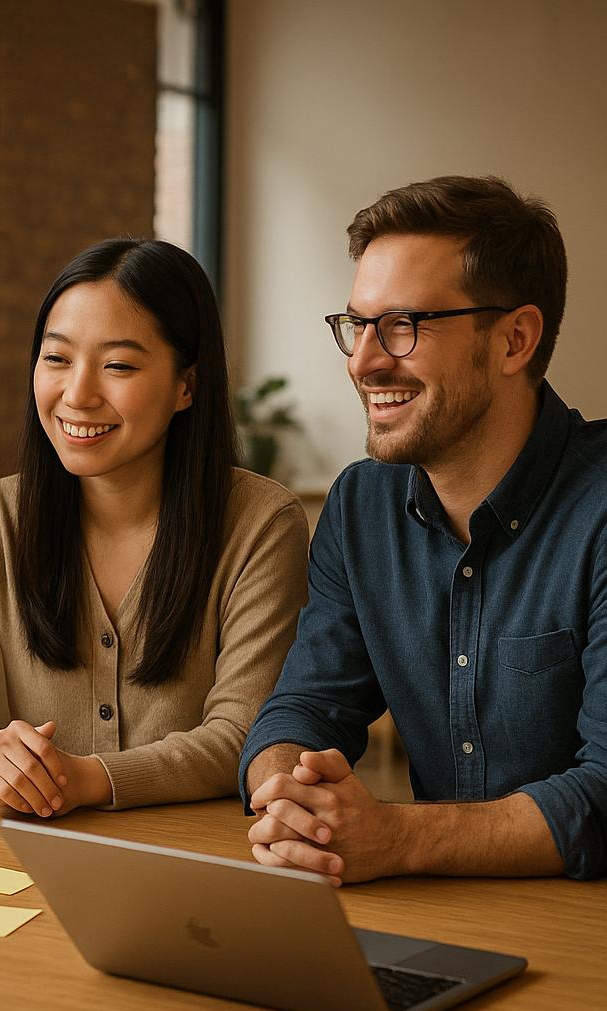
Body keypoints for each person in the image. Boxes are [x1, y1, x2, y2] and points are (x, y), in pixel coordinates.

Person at [240, 175, 606, 882]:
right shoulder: (361, 505)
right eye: (356, 324)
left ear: (514, 339)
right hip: (439, 915)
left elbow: (603, 797)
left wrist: (398, 839)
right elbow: (308, 705)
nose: (363, 360)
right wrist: (286, 792)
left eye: (403, 326)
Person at [0, 239, 307, 815]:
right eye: (56, 359)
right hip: (35, 858)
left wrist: (88, 779)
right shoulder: (1, 515)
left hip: (196, 862)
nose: (77, 395)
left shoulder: (260, 523)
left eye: (118, 366)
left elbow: (242, 733)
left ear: (187, 385)